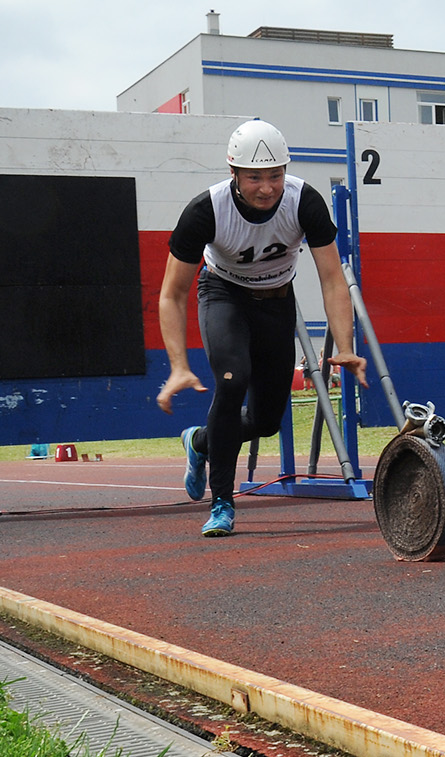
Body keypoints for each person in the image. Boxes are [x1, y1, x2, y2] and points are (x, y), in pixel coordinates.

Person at [156, 119, 367, 536]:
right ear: (233, 173)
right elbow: (171, 294)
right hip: (223, 296)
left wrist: (343, 344)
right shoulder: (206, 210)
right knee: (232, 381)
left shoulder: (304, 201)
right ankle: (222, 502)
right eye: (255, 178)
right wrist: (178, 365)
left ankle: (199, 442)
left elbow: (331, 277)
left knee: (267, 421)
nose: (267, 188)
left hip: (276, 302)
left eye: (275, 175)